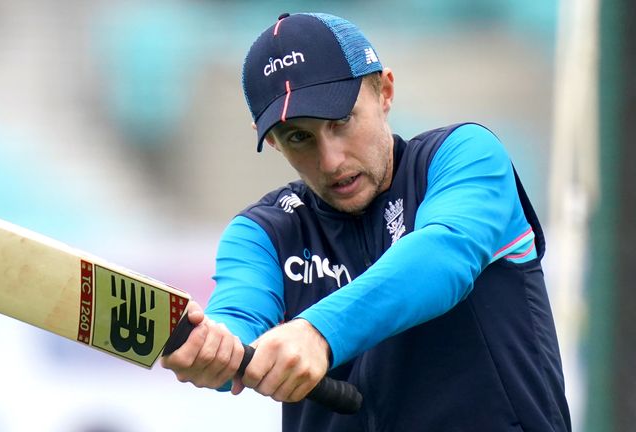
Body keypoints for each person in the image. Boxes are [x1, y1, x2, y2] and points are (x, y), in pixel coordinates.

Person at [161, 12, 571, 431]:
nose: (330, 160)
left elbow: (443, 257)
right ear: (270, 140)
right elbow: (236, 320)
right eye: (298, 137)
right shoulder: (261, 233)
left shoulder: (465, 155)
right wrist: (213, 349)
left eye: (340, 122)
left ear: (385, 90)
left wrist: (317, 332)